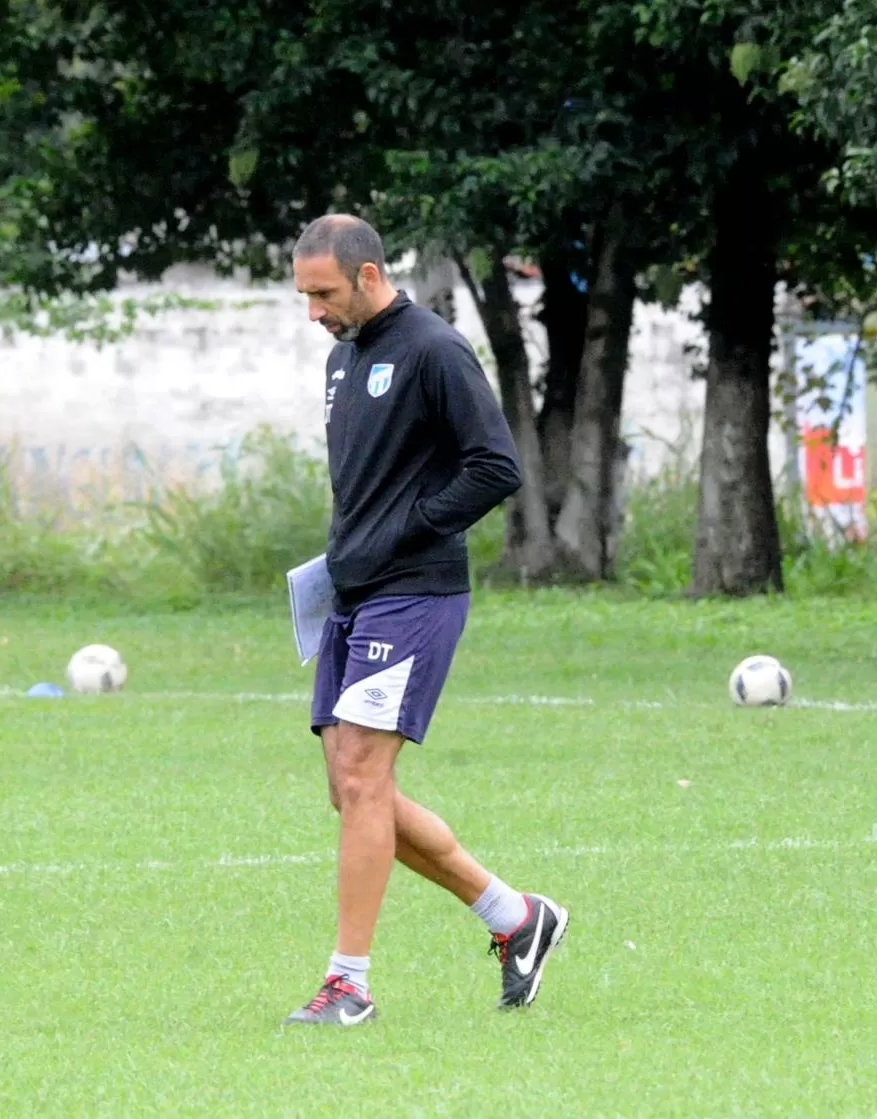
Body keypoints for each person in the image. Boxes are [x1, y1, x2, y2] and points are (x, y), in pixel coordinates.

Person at [285, 214, 568, 1026]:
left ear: (369, 275)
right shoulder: (345, 359)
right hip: (355, 591)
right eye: (304, 295)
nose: (314, 313)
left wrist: (409, 527)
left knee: (367, 779)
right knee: (352, 789)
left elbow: (495, 467)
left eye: (324, 293)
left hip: (416, 593)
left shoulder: (435, 349)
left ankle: (349, 984)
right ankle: (515, 917)